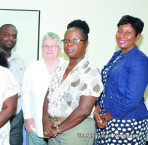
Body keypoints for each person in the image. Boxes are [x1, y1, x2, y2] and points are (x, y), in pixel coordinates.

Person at [42, 20, 104, 145]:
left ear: (86, 44)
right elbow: (48, 95)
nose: (69, 44)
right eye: (66, 40)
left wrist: (59, 129)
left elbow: (84, 109)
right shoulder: (60, 67)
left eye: (75, 40)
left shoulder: (90, 71)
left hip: (75, 129)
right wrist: (45, 120)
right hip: (53, 127)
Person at [95, 15, 148, 145]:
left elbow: (132, 99)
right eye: (120, 31)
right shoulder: (117, 56)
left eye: (128, 32)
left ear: (137, 37)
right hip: (107, 119)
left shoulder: (139, 60)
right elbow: (106, 87)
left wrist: (105, 116)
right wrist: (97, 109)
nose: (122, 36)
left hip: (127, 123)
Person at [22, 32, 65, 145]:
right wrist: (27, 117)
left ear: (60, 50)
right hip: (35, 126)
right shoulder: (33, 67)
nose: (49, 49)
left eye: (53, 46)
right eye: (46, 46)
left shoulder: (67, 68)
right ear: (42, 49)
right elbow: (25, 94)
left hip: (60, 128)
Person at [0, 24, 25, 145]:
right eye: (6, 34)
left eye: (14, 36)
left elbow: (23, 87)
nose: (10, 39)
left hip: (16, 115)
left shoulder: (19, 60)